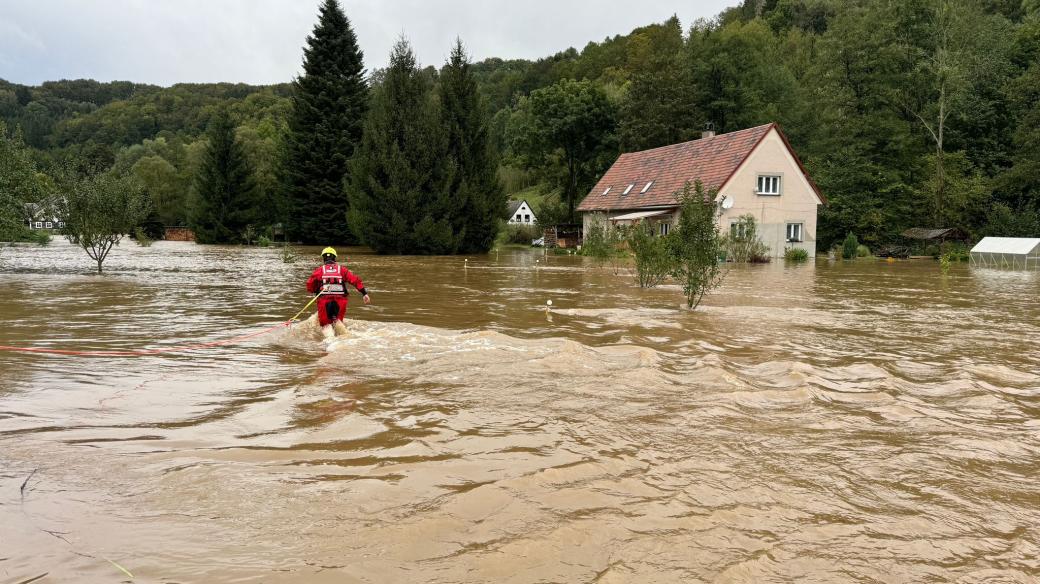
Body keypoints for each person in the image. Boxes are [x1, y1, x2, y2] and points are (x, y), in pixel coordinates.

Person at [306, 247, 370, 339]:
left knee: (325, 325)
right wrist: (364, 293)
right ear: (334, 258)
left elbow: (310, 285)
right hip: (340, 301)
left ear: (323, 258)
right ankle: (344, 338)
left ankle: (330, 341)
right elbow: (355, 280)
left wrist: (315, 290)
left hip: (324, 301)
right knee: (337, 321)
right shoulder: (343, 270)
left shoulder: (319, 270)